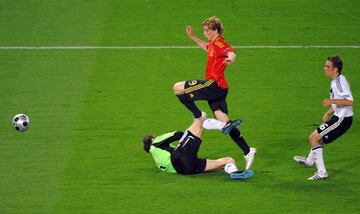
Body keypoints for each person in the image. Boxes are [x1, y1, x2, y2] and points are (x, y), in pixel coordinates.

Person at [173, 16, 256, 170]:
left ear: (215, 30)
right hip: (221, 89)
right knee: (226, 124)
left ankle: (198, 116)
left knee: (177, 88)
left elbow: (231, 52)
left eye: (206, 31)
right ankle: (247, 150)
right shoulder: (213, 44)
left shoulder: (219, 42)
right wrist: (193, 37)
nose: (205, 34)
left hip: (213, 85)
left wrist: (231, 59)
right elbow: (207, 47)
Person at [294, 56, 354, 180]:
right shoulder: (336, 81)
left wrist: (330, 101)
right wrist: (329, 112)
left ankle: (322, 173)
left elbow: (349, 101)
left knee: (314, 138)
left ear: (335, 69)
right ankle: (310, 161)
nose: (325, 68)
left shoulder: (339, 82)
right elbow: (340, 102)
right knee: (318, 138)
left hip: (342, 120)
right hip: (339, 118)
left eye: (328, 66)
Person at [143, 113, 253, 180]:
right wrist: (193, 126)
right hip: (180, 158)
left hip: (186, 170)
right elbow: (178, 134)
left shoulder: (157, 160)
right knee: (201, 119)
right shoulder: (156, 142)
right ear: (152, 139)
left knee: (228, 160)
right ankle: (224, 126)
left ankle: (234, 172)